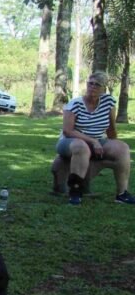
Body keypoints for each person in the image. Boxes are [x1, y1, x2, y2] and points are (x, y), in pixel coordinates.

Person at [54, 71, 135, 206]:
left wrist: (113, 143)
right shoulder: (75, 104)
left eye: (97, 85)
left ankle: (122, 194)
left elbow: (111, 129)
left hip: (97, 140)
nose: (93, 87)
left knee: (123, 148)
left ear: (104, 88)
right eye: (90, 83)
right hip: (70, 142)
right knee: (81, 147)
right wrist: (93, 141)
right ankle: (75, 193)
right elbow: (68, 131)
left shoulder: (108, 102)